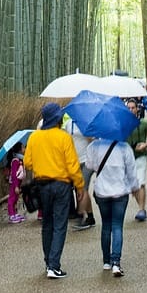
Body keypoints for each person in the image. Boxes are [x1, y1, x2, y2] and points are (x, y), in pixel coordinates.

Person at [22, 102, 84, 278]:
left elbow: (28, 163)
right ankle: (54, 266)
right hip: (61, 186)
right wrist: (79, 186)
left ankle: (48, 262)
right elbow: (72, 166)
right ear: (58, 119)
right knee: (59, 224)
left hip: (42, 186)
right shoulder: (64, 137)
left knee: (47, 224)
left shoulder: (34, 138)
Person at [84, 134, 139, 277]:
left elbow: (89, 166)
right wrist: (134, 187)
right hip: (120, 192)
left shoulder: (94, 146)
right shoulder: (124, 147)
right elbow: (132, 171)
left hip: (102, 192)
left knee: (106, 225)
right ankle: (116, 262)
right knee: (117, 226)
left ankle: (106, 262)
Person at [126, 98, 147, 221]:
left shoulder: (144, 123)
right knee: (134, 186)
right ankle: (141, 207)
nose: (131, 110)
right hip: (128, 157)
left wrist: (145, 145)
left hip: (141, 156)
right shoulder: (124, 124)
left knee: (141, 182)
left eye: (133, 107)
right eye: (129, 108)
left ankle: (142, 210)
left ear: (137, 109)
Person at [65, 118, 96, 230]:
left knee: (82, 188)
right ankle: (90, 217)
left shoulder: (87, 121)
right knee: (81, 189)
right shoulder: (68, 123)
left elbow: (94, 140)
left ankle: (81, 216)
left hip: (87, 160)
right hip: (75, 161)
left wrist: (89, 137)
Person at [5, 146, 25, 223]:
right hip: (14, 183)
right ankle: (11, 214)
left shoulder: (20, 160)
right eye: (23, 147)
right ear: (19, 150)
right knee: (12, 198)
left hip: (17, 182)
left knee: (16, 198)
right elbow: (14, 175)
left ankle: (15, 213)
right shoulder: (15, 161)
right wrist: (16, 186)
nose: (24, 149)